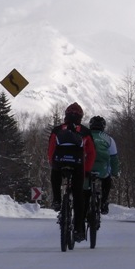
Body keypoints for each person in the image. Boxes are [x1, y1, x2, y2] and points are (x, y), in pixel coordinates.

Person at [47, 102, 96, 242]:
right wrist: (86, 170)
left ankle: (56, 200)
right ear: (81, 117)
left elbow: (51, 150)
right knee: (78, 196)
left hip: (60, 162)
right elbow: (91, 153)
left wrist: (53, 163)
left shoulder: (57, 130)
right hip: (77, 165)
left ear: (66, 116)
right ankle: (78, 229)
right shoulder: (85, 131)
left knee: (55, 176)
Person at [85, 115, 119, 215]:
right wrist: (115, 173)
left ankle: (84, 204)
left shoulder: (85, 135)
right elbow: (114, 158)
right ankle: (104, 202)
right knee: (107, 179)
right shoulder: (109, 139)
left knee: (84, 186)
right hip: (102, 169)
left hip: (87, 166)